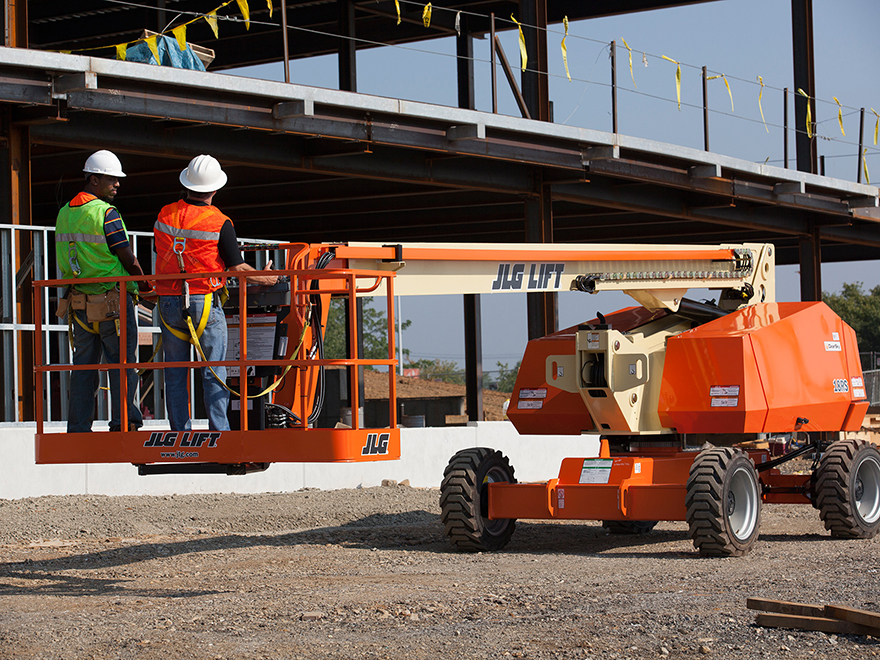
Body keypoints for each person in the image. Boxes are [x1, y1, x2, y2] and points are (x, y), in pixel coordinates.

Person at [154, 155, 278, 431]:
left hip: (169, 302)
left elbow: (161, 252)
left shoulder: (165, 214)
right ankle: (220, 431)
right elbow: (237, 266)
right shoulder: (219, 221)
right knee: (214, 370)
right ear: (215, 189)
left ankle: (180, 432)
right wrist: (266, 277)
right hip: (203, 302)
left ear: (186, 183)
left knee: (175, 373)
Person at [55, 149, 151, 433]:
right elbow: (126, 256)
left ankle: (79, 427)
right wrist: (146, 285)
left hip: (79, 303)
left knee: (83, 367)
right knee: (123, 364)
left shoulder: (64, 213)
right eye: (112, 179)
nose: (117, 184)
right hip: (113, 302)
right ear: (94, 180)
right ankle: (125, 422)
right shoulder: (105, 213)